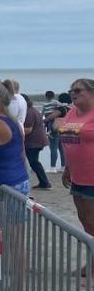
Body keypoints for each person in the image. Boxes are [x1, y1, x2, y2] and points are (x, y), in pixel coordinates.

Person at [56, 79, 94, 238]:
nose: (72, 93)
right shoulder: (72, 112)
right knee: (84, 220)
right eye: (71, 90)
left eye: (78, 90)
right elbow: (69, 141)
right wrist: (67, 168)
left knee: (92, 222)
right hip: (77, 175)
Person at [23, 94, 52, 189]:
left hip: (34, 142)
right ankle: (44, 182)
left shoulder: (29, 112)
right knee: (34, 162)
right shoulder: (32, 110)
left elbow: (28, 129)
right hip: (37, 140)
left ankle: (45, 183)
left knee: (33, 162)